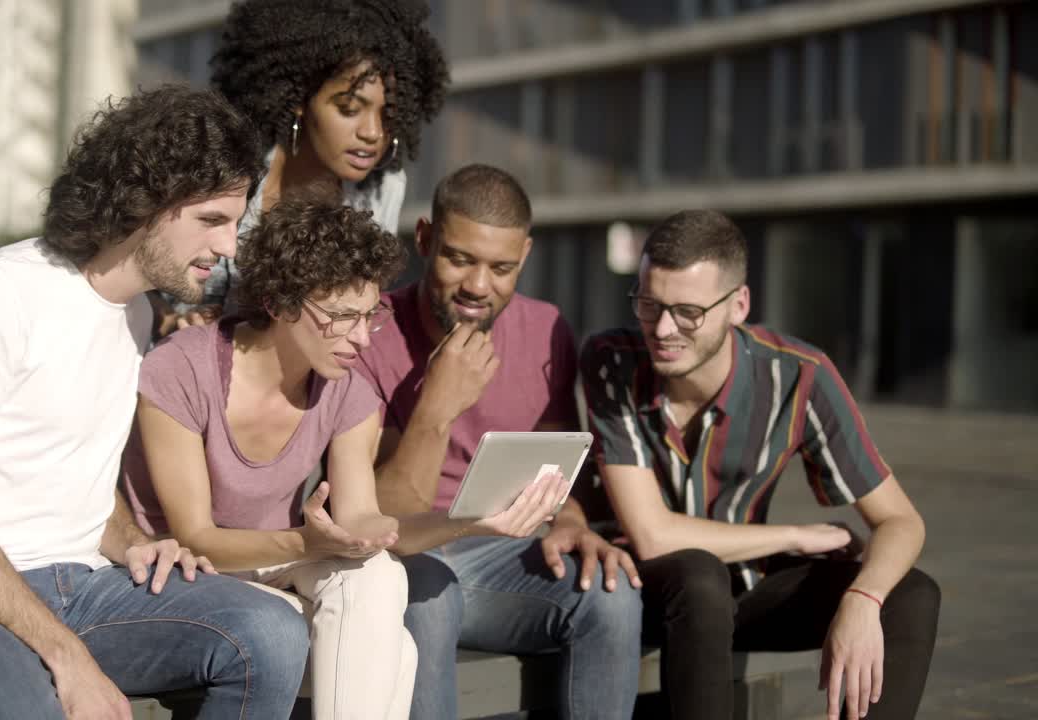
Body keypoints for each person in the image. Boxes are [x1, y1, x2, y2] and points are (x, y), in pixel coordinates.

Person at [0, 85, 310, 720]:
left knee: (271, 632)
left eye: (235, 223)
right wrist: (68, 657)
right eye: (213, 221)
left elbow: (72, 472)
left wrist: (135, 540)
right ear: (146, 202)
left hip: (86, 587)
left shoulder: (136, 316)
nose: (229, 248)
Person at [122, 200, 573, 719]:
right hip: (175, 573)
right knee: (396, 652)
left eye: (369, 316)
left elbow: (366, 525)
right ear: (277, 301)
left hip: (274, 565)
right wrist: (305, 542)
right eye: (341, 317)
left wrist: (470, 521)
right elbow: (197, 537)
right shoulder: (182, 370)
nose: (360, 338)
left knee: (379, 575)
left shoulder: (348, 392)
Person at [580, 209, 941, 720]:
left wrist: (863, 596)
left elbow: (901, 521)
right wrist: (792, 536)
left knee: (910, 592)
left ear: (738, 305)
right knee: (699, 574)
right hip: (637, 595)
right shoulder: (611, 360)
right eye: (648, 304)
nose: (661, 329)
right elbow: (654, 538)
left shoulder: (799, 377)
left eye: (687, 311)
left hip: (743, 595)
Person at [356, 164, 644, 720]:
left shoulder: (546, 329)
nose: (478, 286)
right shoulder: (369, 331)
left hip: (500, 553)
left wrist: (571, 523)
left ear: (526, 258)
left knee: (611, 594)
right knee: (429, 594)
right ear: (423, 239)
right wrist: (437, 406)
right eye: (459, 259)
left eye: (502, 267)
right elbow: (384, 517)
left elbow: (562, 477)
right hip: (404, 555)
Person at [151, 0, 449, 332]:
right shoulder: (225, 164)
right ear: (298, 101)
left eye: (387, 114)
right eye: (349, 108)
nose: (373, 133)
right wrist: (166, 319)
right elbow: (136, 262)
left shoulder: (382, 188)